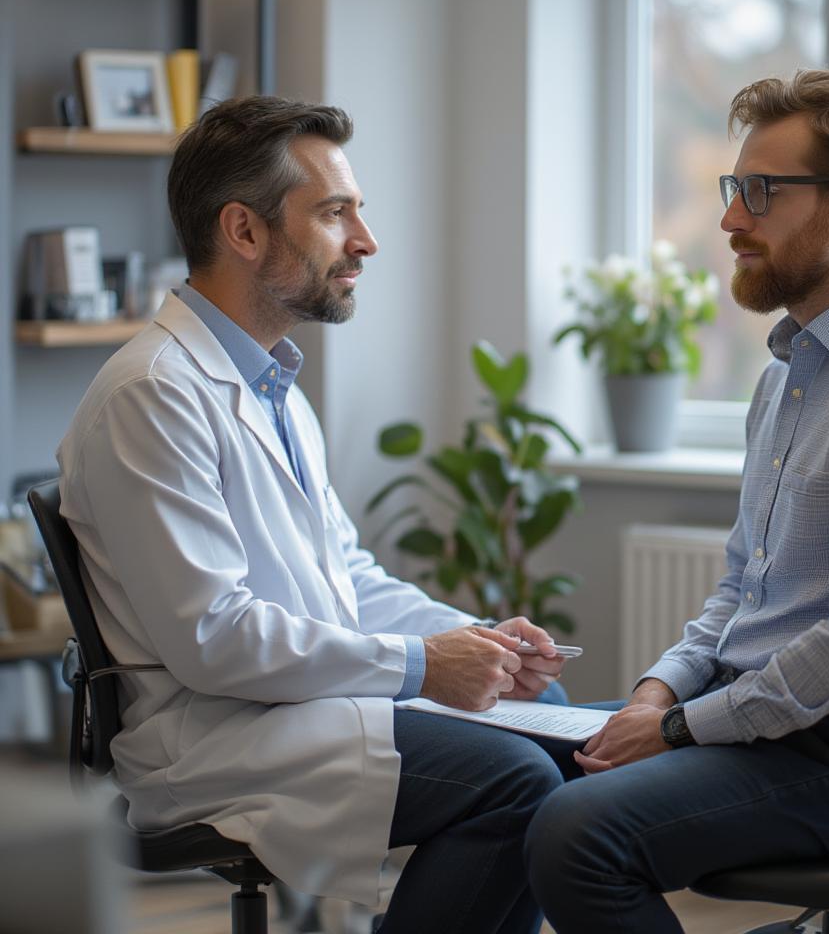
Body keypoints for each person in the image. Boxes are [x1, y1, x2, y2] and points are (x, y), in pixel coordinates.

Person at [57, 95, 567, 934]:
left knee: (558, 741)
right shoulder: (153, 393)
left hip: (298, 710)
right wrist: (421, 667)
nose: (366, 241)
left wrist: (477, 641)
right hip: (218, 738)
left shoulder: (271, 386)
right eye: (336, 213)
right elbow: (213, 637)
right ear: (244, 232)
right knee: (515, 783)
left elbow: (347, 578)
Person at [524, 69, 829, 933]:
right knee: (512, 764)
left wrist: (676, 734)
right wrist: (658, 693)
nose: (729, 219)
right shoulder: (789, 374)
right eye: (731, 189)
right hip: (771, 724)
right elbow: (741, 592)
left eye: (760, 192)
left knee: (577, 834)